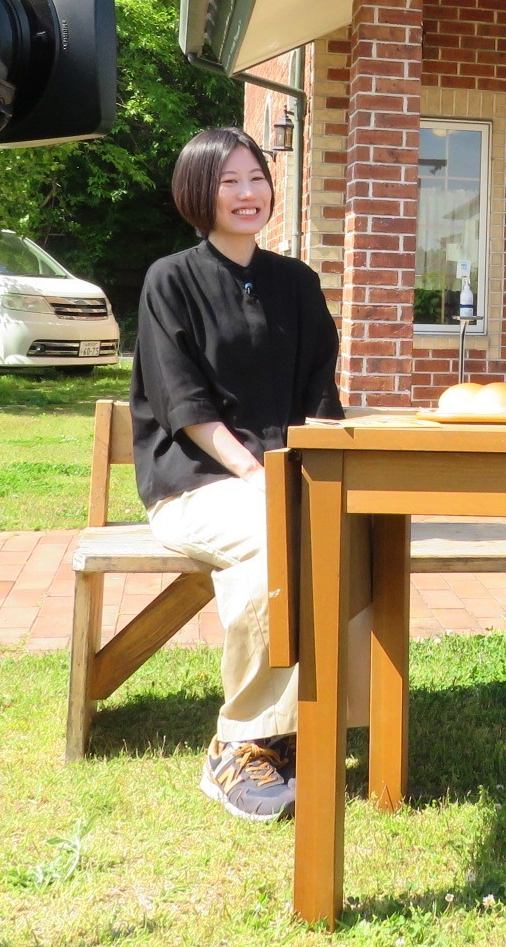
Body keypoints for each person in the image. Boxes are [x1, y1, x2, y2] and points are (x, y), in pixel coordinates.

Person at [131, 127, 342, 822]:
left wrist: (309, 470)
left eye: (256, 177)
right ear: (199, 192)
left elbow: (319, 395)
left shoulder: (298, 284)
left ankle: (323, 721)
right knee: (270, 534)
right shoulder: (171, 279)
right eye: (230, 182)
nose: (249, 193)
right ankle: (241, 745)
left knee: (342, 533)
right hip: (196, 483)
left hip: (281, 477)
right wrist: (257, 472)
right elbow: (183, 403)